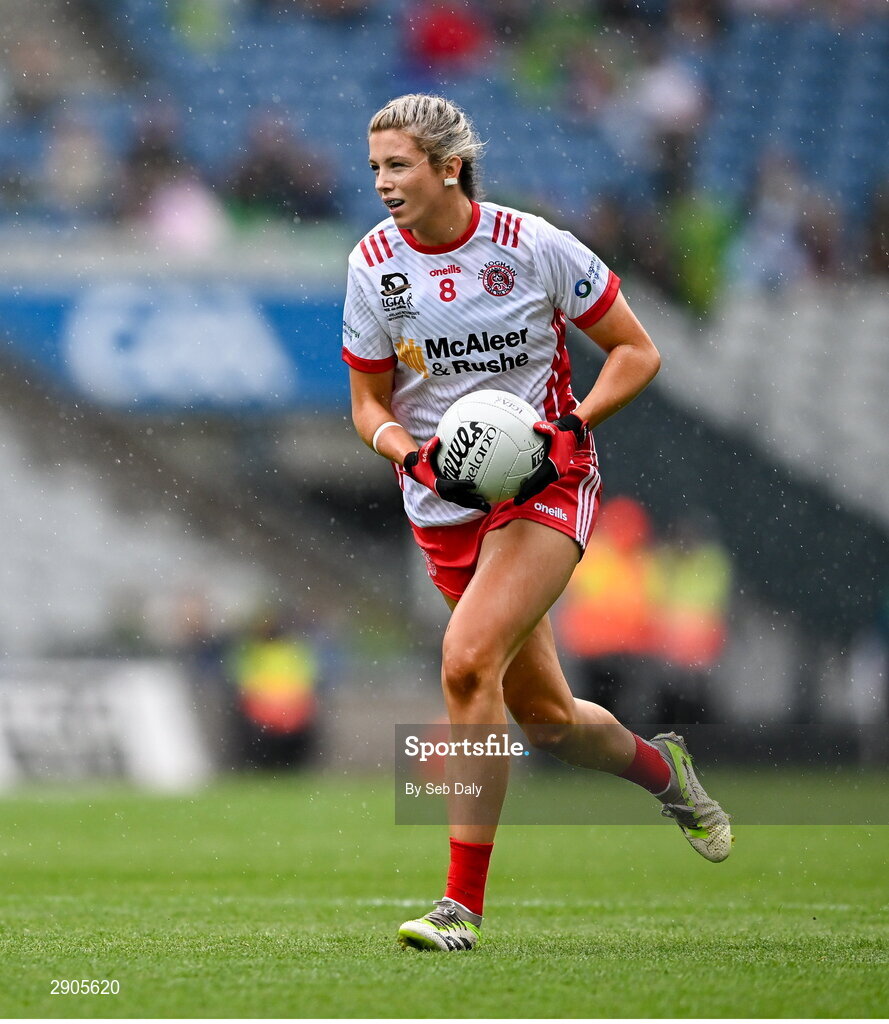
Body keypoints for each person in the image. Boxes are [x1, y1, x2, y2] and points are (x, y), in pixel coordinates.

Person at [342, 94, 733, 953]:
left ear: (449, 167)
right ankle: (666, 773)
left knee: (465, 660)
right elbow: (367, 404)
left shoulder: (531, 246)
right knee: (547, 721)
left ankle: (459, 909)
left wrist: (575, 424)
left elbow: (638, 350)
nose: (382, 183)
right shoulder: (373, 265)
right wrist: (409, 456)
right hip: (442, 504)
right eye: (375, 167)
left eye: (398, 165)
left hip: (543, 486)